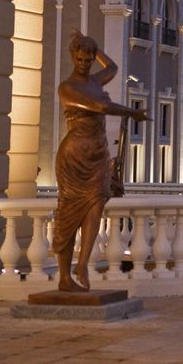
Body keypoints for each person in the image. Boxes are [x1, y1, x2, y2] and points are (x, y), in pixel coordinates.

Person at [53, 31, 148, 293]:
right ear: (73, 57)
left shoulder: (95, 80)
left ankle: (82, 264)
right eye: (80, 58)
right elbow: (99, 107)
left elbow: (114, 68)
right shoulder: (68, 87)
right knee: (68, 214)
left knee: (95, 207)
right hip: (74, 157)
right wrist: (132, 112)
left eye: (88, 59)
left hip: (97, 155)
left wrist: (95, 46)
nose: (84, 63)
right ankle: (63, 277)